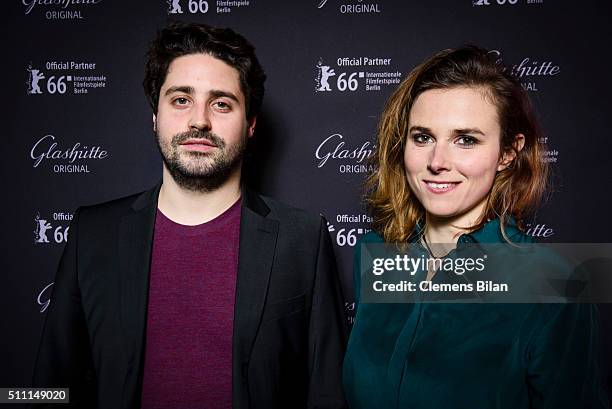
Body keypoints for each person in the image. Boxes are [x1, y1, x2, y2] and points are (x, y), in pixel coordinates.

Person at [32, 22, 348, 409]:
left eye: (221, 103)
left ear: (250, 124)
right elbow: (51, 385)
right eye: (181, 99)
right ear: (155, 115)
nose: (199, 120)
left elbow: (328, 391)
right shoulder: (92, 233)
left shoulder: (303, 238)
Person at [342, 46, 609, 408]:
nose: (437, 161)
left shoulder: (557, 285)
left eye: (465, 139)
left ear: (507, 153)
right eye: (422, 137)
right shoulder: (374, 252)